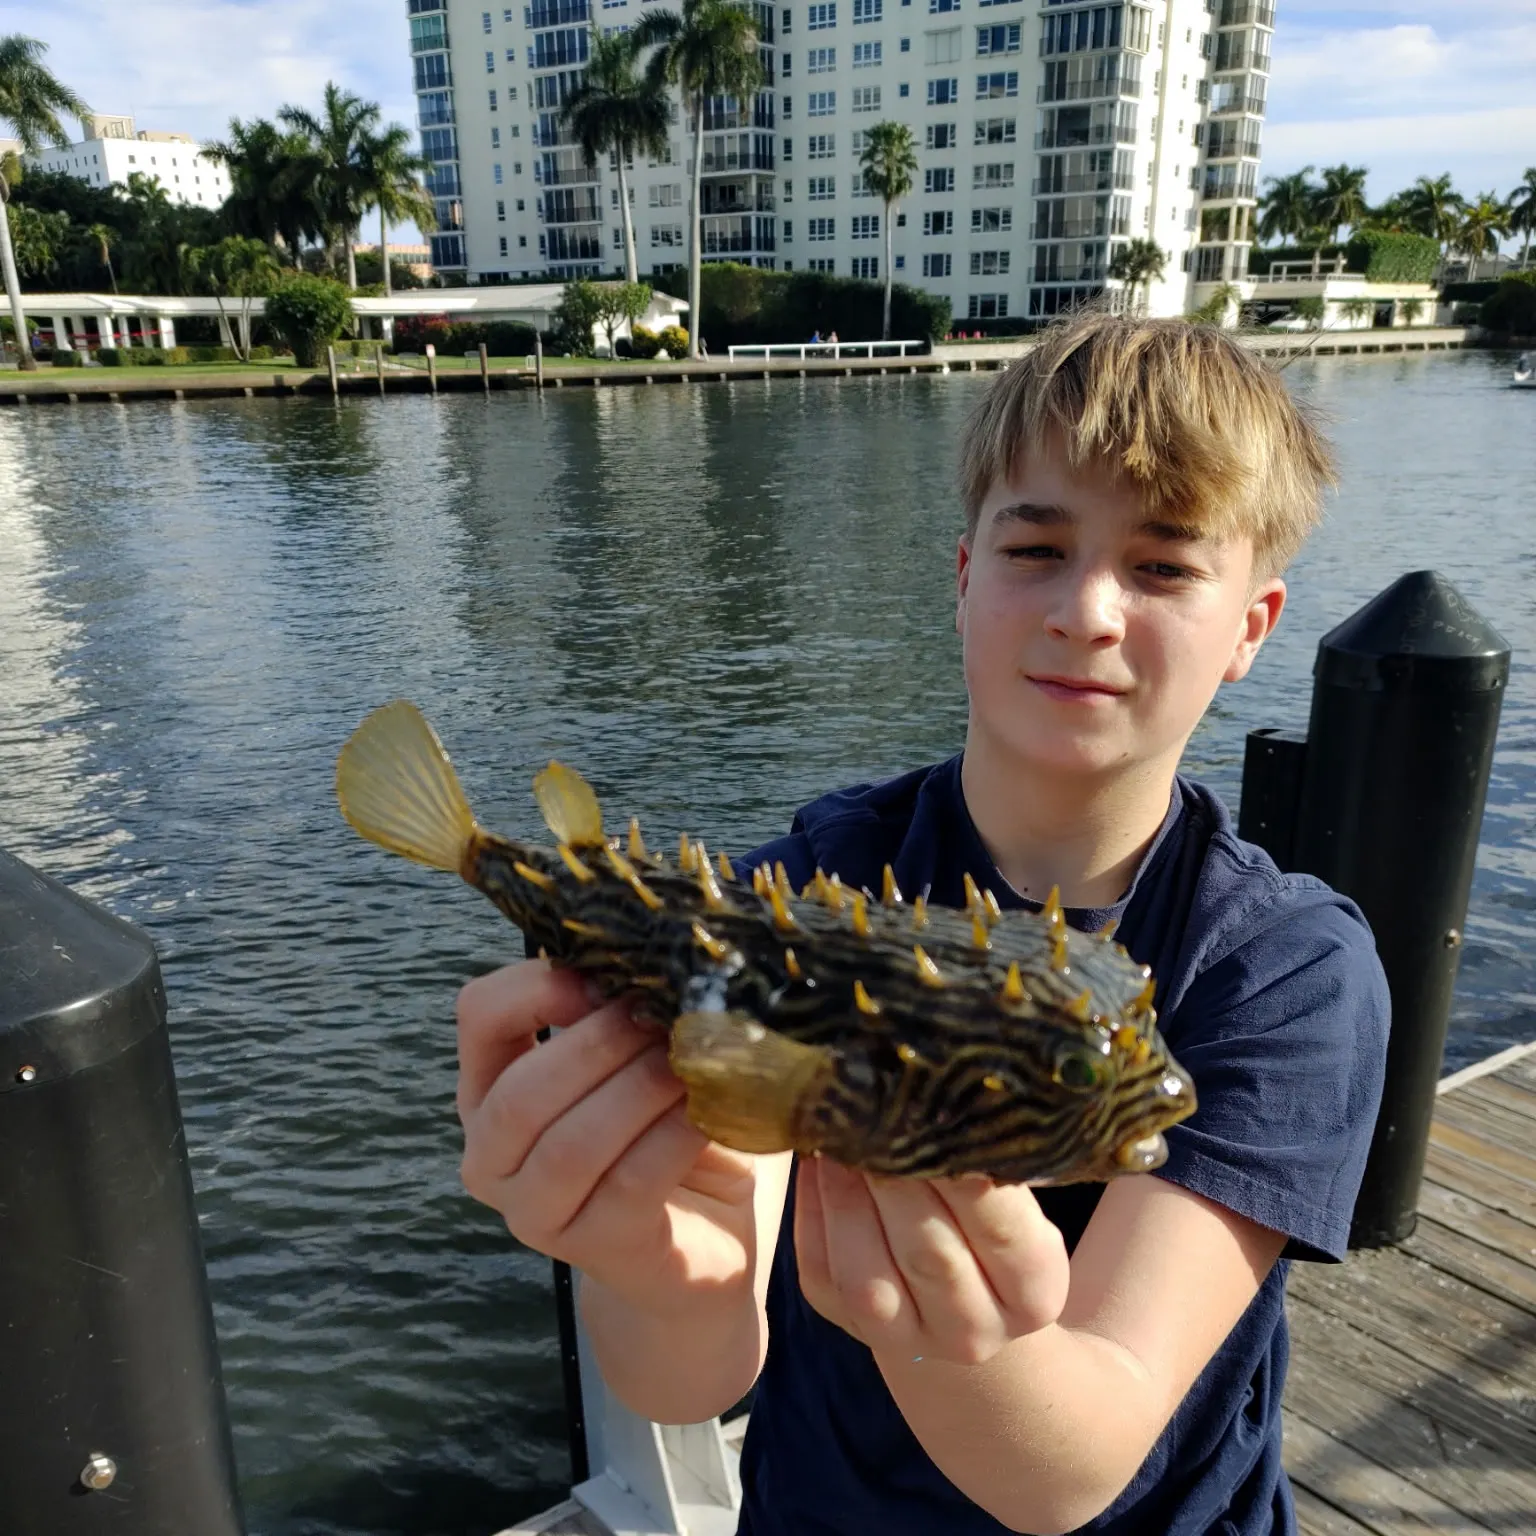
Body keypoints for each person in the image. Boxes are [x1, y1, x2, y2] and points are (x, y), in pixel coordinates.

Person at [454, 311, 1390, 1535]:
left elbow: (1069, 1466)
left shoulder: (1284, 970)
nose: (1088, 611)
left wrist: (944, 1309)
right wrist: (643, 1256)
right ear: (964, 578)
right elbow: (688, 1372)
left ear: (1250, 629)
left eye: (1162, 567)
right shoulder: (811, 884)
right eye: (1036, 548)